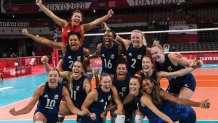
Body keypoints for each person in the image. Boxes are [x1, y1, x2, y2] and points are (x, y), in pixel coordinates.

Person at [9, 69, 87, 123]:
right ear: (47, 77)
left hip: (53, 117)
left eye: (55, 76)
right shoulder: (41, 89)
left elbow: (72, 107)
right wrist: (16, 113)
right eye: (50, 76)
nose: (52, 78)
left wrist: (81, 113)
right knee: (38, 117)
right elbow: (29, 108)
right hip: (41, 114)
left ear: (58, 77)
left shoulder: (63, 89)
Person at [36, 0, 114, 45]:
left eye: (79, 17)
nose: (77, 18)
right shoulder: (65, 24)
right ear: (72, 17)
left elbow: (96, 22)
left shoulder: (82, 27)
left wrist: (108, 16)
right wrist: (41, 6)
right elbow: (52, 15)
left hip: (78, 53)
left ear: (81, 20)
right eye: (75, 16)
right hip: (66, 52)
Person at [134, 77, 210, 123]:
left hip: (185, 114)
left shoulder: (161, 93)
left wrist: (199, 104)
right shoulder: (144, 97)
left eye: (148, 84)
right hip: (165, 119)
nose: (146, 87)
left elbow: (178, 101)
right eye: (144, 85)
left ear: (153, 84)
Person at [41, 57, 91, 123]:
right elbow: (52, 72)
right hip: (71, 105)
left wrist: (88, 90)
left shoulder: (85, 80)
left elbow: (91, 97)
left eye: (78, 67)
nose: (76, 68)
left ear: (82, 70)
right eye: (74, 66)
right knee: (52, 106)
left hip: (82, 107)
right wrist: (45, 63)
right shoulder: (69, 75)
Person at [22, 29, 91, 72]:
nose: (73, 41)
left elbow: (87, 65)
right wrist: (29, 35)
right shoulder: (64, 47)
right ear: (68, 41)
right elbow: (45, 41)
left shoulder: (85, 51)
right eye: (71, 40)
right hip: (66, 77)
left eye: (75, 40)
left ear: (79, 41)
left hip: (78, 77)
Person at [136, 55, 203, 86]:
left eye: (147, 62)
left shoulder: (159, 74)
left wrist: (195, 67)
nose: (145, 64)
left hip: (156, 96)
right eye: (143, 62)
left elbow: (179, 73)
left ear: (152, 65)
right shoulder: (139, 75)